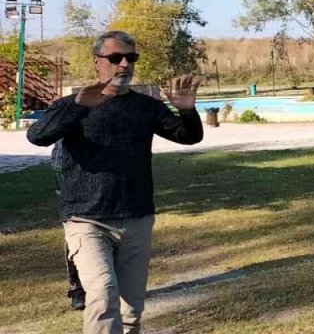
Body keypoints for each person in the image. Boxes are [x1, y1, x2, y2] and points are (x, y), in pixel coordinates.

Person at [26, 30, 203, 334]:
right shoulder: (74, 103)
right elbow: (38, 136)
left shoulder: (145, 106)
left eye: (130, 58)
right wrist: (79, 107)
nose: (124, 64)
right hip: (86, 218)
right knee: (103, 294)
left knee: (131, 308)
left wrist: (187, 112)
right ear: (97, 63)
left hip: (137, 217)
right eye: (115, 58)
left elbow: (188, 136)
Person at [50, 140, 86, 311]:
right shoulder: (72, 114)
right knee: (75, 238)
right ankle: (77, 288)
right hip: (73, 182)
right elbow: (58, 161)